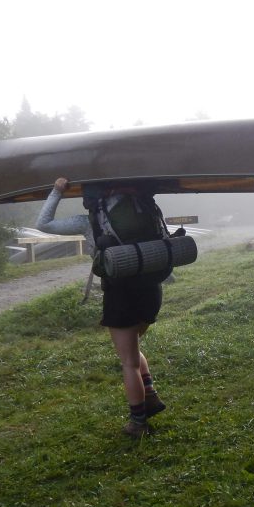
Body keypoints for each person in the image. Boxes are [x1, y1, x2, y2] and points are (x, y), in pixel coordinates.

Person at [36, 177, 167, 438]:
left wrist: (57, 191)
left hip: (120, 293)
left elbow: (43, 223)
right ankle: (150, 396)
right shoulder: (146, 208)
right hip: (152, 287)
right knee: (134, 348)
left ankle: (138, 424)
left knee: (128, 361)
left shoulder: (90, 221)